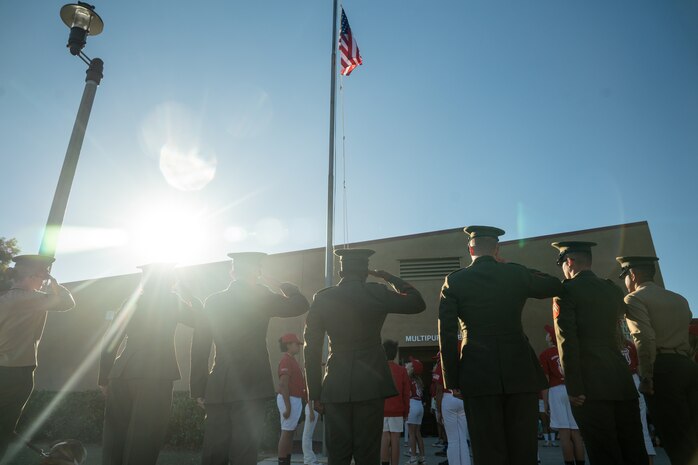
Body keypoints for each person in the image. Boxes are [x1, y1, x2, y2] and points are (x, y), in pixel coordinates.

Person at [438, 225, 562, 465]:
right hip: (520, 371)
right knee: (523, 449)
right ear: (497, 249)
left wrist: (451, 380)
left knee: (487, 450)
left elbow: (446, 333)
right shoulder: (516, 273)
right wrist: (518, 270)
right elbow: (554, 284)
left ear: (470, 248)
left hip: (477, 373)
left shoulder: (455, 281)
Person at [304, 248, 426, 465]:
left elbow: (311, 348)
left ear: (342, 271)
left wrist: (314, 393)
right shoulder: (376, 292)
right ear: (366, 271)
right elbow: (417, 302)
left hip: (336, 385)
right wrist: (388, 277)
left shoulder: (323, 298)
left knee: (337, 455)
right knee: (368, 454)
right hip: (370, 384)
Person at [190, 252, 309, 465]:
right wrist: (279, 284)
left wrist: (199, 388)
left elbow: (200, 345)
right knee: (244, 451)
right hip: (251, 383)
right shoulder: (261, 297)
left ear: (233, 271)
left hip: (220, 384)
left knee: (214, 451)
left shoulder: (213, 301)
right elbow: (300, 304)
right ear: (258, 272)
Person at [551, 242, 647, 465]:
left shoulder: (565, 292)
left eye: (562, 263)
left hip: (590, 386)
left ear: (569, 262)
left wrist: (574, 386)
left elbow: (567, 342)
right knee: (633, 448)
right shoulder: (612, 289)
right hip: (621, 381)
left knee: (603, 451)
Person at [99, 263, 199, 465]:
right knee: (145, 436)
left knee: (115, 436)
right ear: (171, 281)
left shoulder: (132, 302)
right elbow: (201, 320)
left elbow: (110, 340)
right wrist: (188, 293)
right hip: (156, 373)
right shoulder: (171, 301)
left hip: (120, 373)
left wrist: (104, 379)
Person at [618, 255, 698, 465]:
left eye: (624, 276)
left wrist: (647, 376)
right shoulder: (679, 299)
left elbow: (644, 337)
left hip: (662, 369)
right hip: (687, 366)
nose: (625, 281)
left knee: (677, 439)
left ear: (632, 275)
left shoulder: (634, 298)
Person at [0, 255, 75, 461]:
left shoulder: (4, 297)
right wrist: (54, 282)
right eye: (43, 275)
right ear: (34, 275)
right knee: (4, 428)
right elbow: (67, 302)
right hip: (16, 373)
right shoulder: (28, 299)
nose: (43, 281)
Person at [539, 325, 584, 465]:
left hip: (555, 391)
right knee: (576, 433)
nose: (546, 336)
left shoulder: (545, 354)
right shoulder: (570, 350)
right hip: (572, 389)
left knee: (564, 433)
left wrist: (545, 402)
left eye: (548, 334)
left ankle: (569, 462)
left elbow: (545, 380)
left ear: (551, 337)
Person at [620, 338, 656, 464]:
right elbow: (639, 364)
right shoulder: (629, 344)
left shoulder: (607, 344)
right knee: (642, 428)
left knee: (623, 429)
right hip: (634, 379)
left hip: (619, 381)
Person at [433, 351, 471, 465]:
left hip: (448, 397)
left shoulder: (442, 364)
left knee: (453, 439)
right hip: (462, 398)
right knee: (462, 437)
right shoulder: (462, 362)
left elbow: (439, 390)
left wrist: (439, 411)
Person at [276, 333, 306, 465]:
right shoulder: (286, 360)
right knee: (287, 432)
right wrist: (288, 407)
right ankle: (282, 461)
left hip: (294, 399)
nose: (298, 346)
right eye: (296, 344)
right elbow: (283, 384)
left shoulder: (292, 359)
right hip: (288, 399)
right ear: (288, 345)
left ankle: (286, 460)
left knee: (290, 432)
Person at [381, 340, 410, 465]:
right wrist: (406, 411)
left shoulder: (379, 369)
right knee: (395, 439)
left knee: (384, 437)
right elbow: (406, 393)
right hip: (397, 409)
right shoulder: (402, 371)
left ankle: (384, 463)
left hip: (382, 409)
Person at [406, 357, 426, 465]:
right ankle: (422, 457)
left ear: (412, 368)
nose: (408, 364)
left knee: (411, 434)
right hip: (419, 405)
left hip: (412, 404)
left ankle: (413, 458)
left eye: (410, 363)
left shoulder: (408, 379)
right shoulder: (418, 380)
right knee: (418, 433)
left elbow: (408, 394)